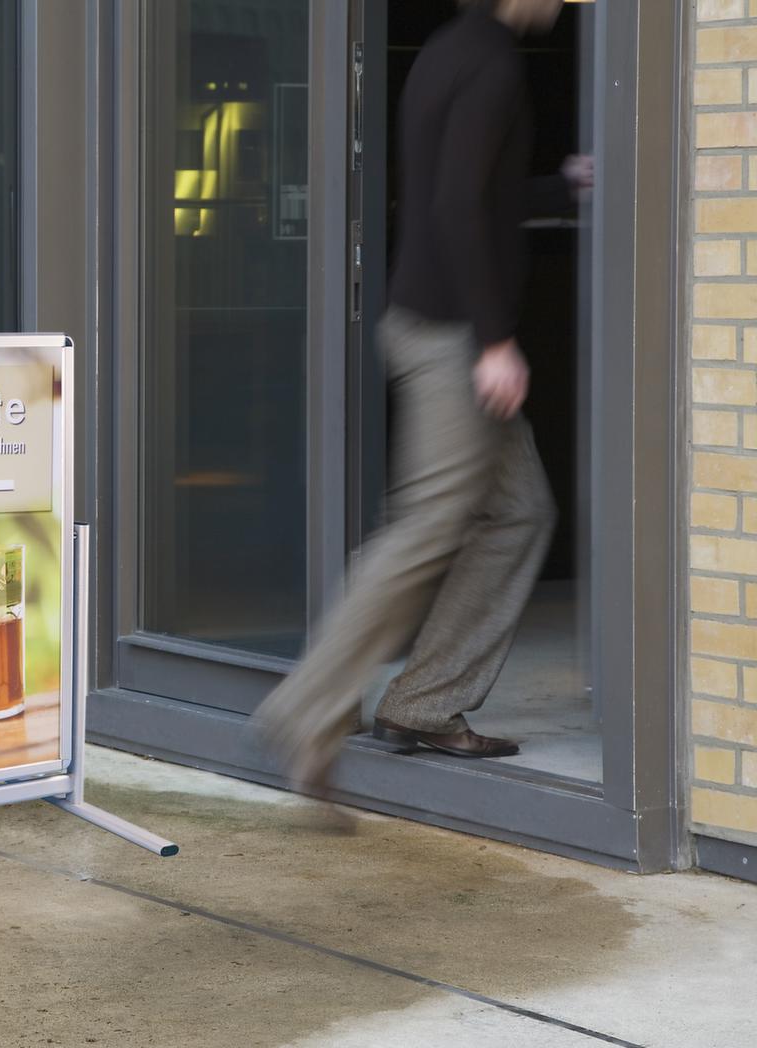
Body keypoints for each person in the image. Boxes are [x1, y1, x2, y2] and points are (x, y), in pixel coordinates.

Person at [252, 0, 593, 792]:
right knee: (425, 528)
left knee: (520, 512)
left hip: (430, 324)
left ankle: (425, 703)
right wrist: (495, 338)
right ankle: (303, 710)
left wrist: (559, 185)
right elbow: (456, 206)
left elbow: (474, 191)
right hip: (452, 337)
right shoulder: (495, 63)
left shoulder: (449, 50)